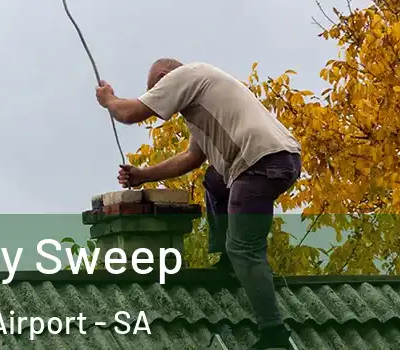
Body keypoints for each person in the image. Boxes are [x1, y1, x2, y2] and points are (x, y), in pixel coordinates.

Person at [94, 58, 302, 350]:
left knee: (245, 248)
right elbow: (191, 158)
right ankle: (229, 263)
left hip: (260, 163)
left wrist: (109, 100)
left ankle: (273, 333)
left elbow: (130, 113)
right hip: (279, 159)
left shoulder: (186, 75)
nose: (161, 99)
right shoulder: (202, 99)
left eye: (157, 90)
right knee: (216, 179)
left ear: (165, 77)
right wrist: (143, 175)